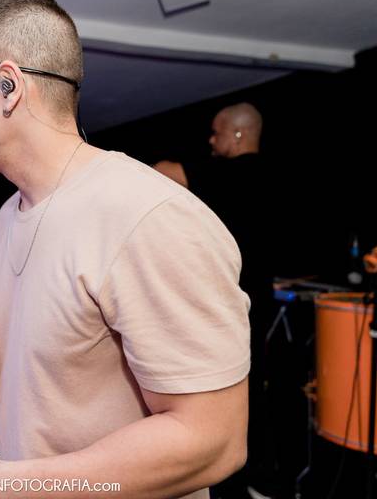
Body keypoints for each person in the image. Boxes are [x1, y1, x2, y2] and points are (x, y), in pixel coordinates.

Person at [0, 0, 251, 498]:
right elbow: (48, 388)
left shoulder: (146, 215)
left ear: (8, 85)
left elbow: (213, 440)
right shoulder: (10, 218)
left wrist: (11, 485)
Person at [155, 103, 276, 497]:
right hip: (261, 302)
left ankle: (225, 479)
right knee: (253, 388)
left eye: (217, 131)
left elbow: (162, 171)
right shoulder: (272, 176)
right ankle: (256, 477)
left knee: (215, 394)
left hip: (223, 306)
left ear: (238, 135)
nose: (211, 140)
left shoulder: (228, 173)